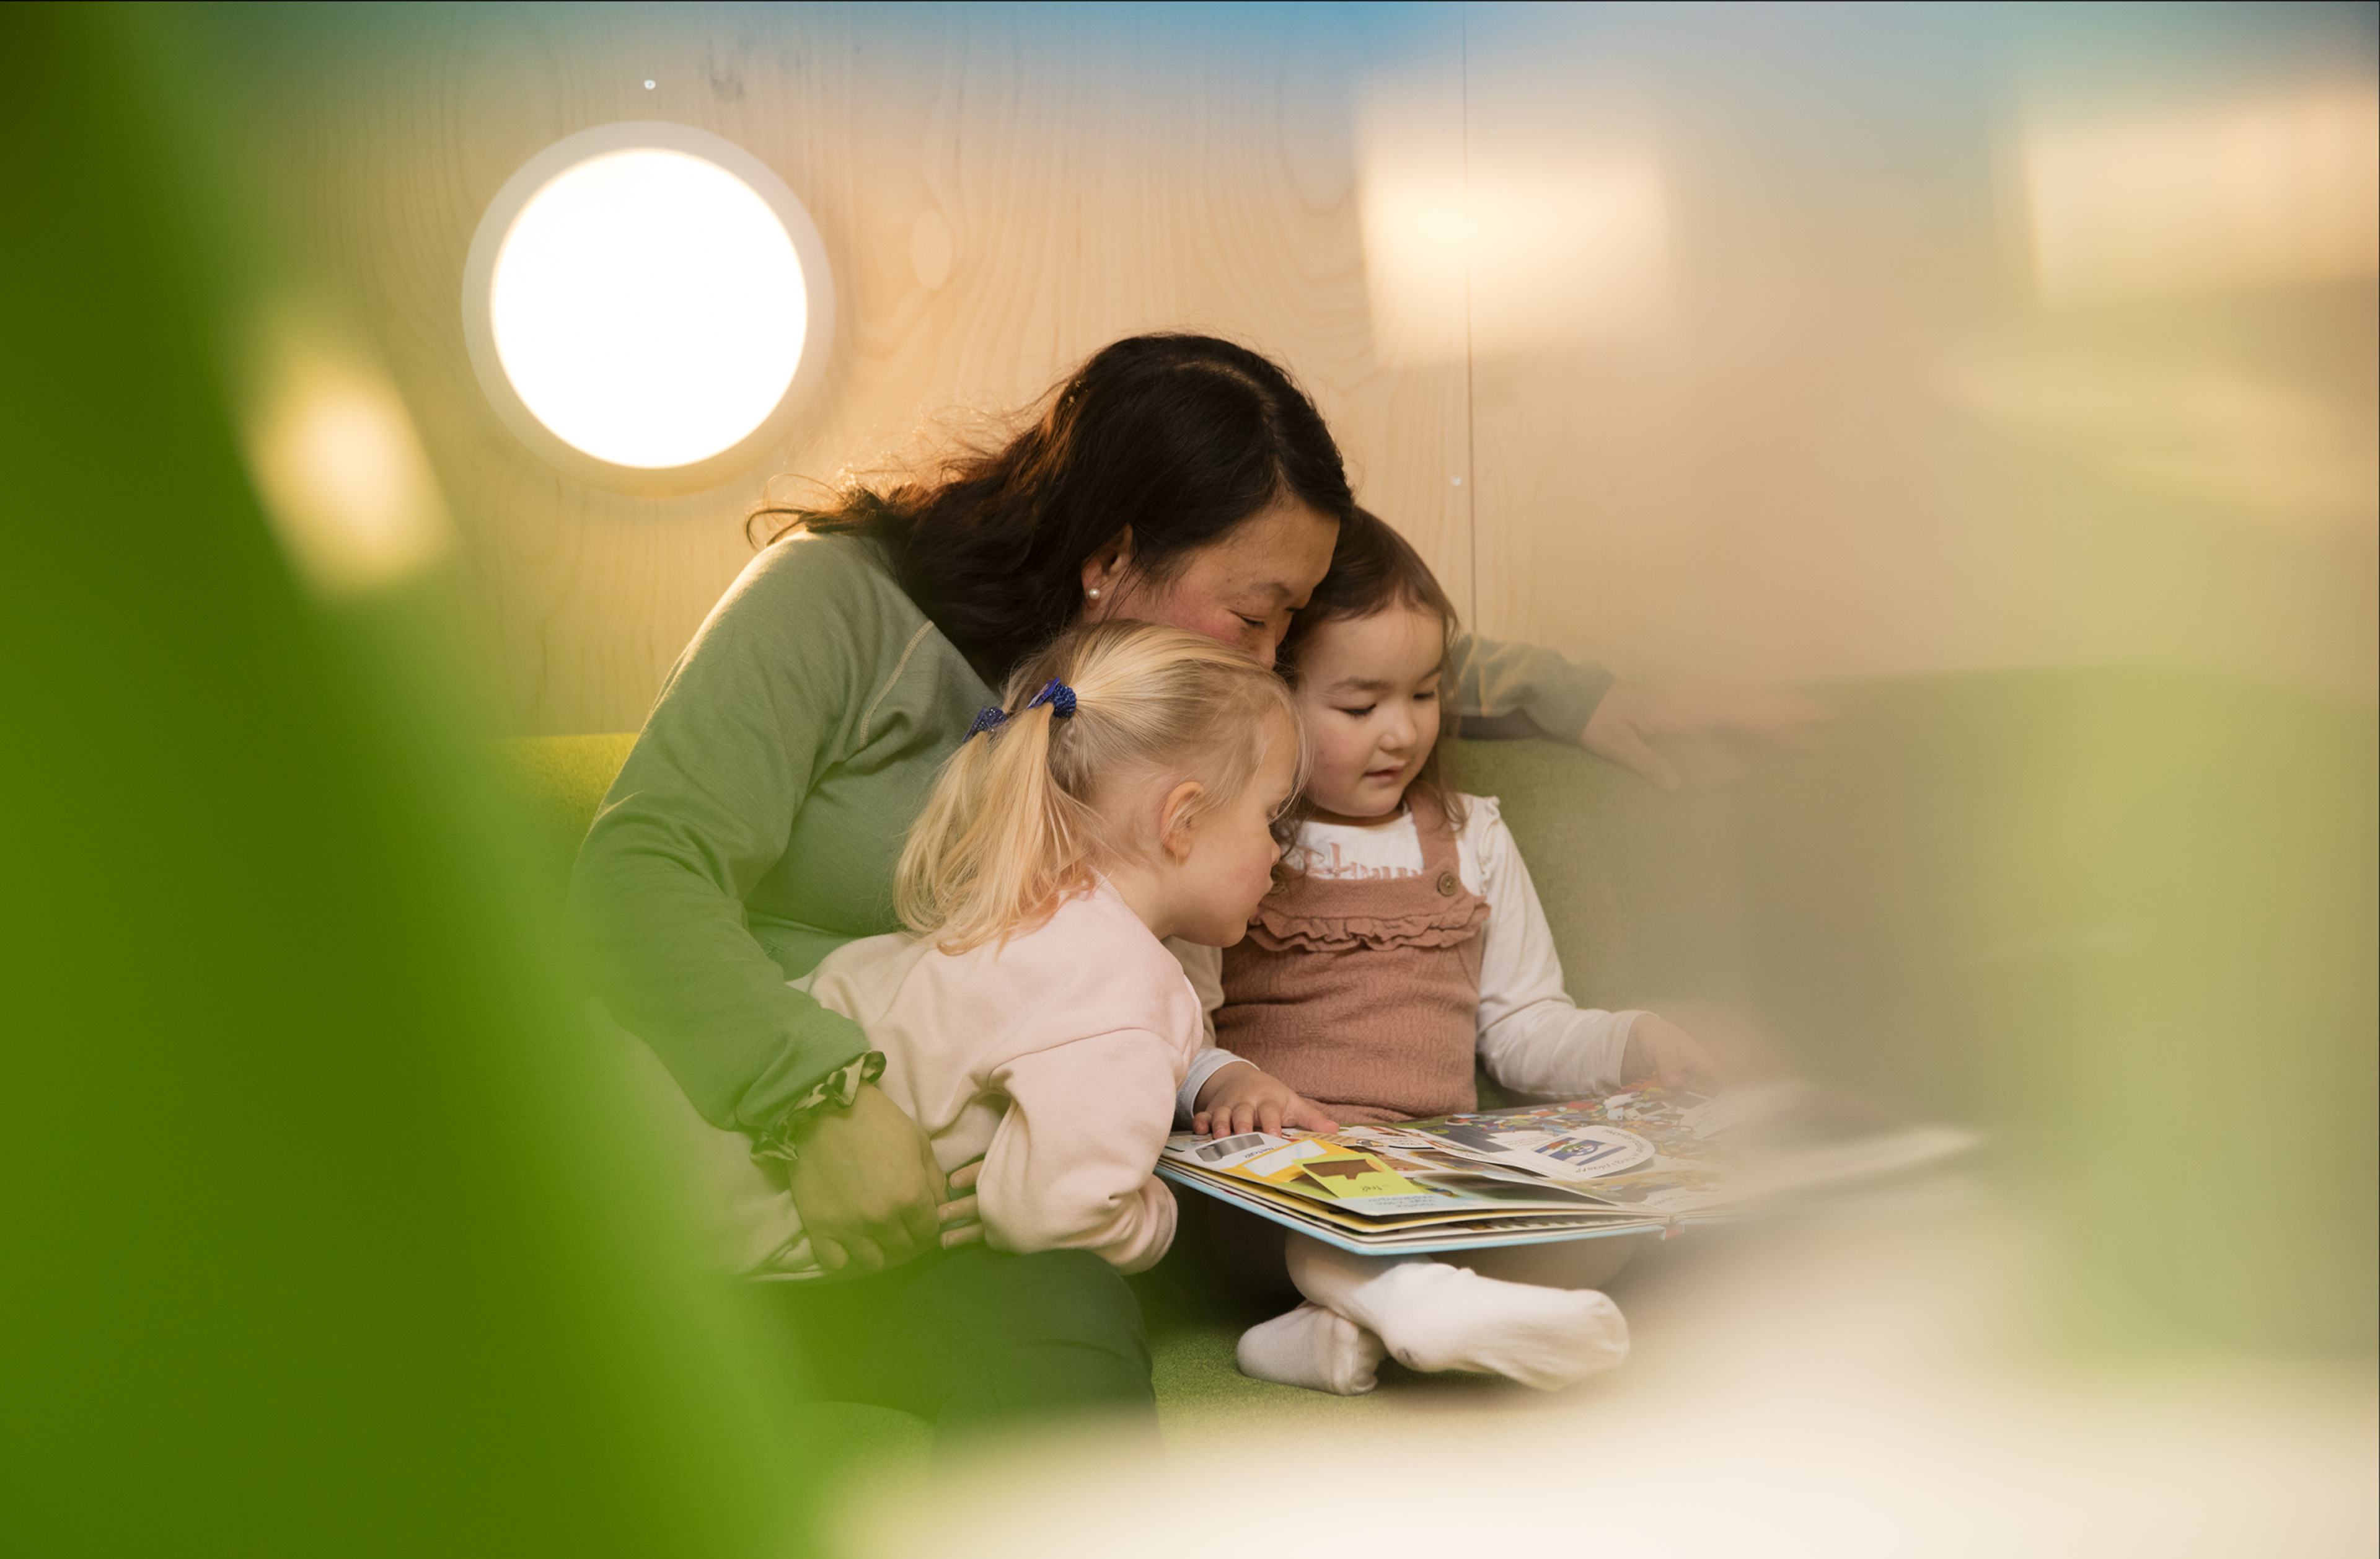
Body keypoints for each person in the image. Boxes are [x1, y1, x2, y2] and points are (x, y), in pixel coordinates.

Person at [567, 334, 1730, 1428]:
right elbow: (639, 876)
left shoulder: (1161, 692)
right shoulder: (832, 605)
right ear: (1113, 556)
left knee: (1075, 1327)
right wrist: (815, 1103)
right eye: (1257, 616)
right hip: (751, 1165)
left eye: (1289, 622)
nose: (1271, 661)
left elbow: (1372, 661)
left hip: (992, 1217)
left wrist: (1577, 693)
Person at [620, 622, 1300, 1431]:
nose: (1280, 856)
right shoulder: (1124, 988)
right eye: (1272, 820)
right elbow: (1051, 1212)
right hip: (689, 1230)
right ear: (1181, 821)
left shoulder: (1030, 914)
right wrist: (1158, 1211)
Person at [1201, 510, 1727, 1396]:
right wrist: (1223, 1081)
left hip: (1437, 1185)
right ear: (1270, 698)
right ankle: (1413, 1306)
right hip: (1280, 1187)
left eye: (1424, 693)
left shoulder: (1472, 834)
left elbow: (1526, 1026)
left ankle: (1327, 1337)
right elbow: (1169, 1016)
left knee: (1611, 1232)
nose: (1401, 732)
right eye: (1359, 705)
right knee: (1330, 1220)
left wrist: (1634, 1039)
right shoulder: (1235, 842)